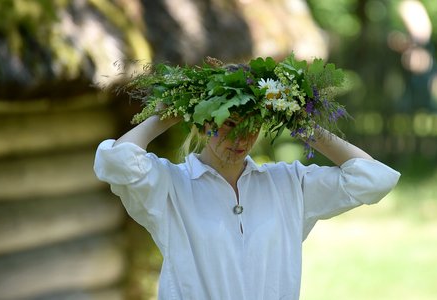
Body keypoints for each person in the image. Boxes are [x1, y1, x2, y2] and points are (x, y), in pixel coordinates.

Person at [94, 55, 400, 299]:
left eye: (252, 125)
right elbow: (115, 161)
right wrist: (167, 113)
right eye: (229, 123)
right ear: (201, 124)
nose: (241, 137)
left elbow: (374, 179)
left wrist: (305, 126)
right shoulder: (171, 186)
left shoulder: (289, 184)